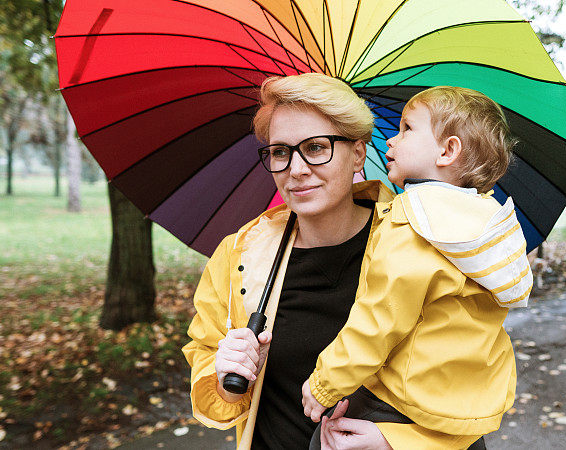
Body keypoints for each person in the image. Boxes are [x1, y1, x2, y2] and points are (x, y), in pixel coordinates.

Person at [182, 74, 484, 449]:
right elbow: (217, 394)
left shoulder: (426, 241)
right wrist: (227, 373)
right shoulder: (239, 255)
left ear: (357, 153)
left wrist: (397, 442)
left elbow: (470, 380)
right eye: (279, 152)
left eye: (315, 147)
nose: (296, 169)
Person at [301, 86, 534, 449]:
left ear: (448, 150)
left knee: (324, 440)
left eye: (407, 129)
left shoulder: (415, 222)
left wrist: (324, 383)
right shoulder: (489, 226)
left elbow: (379, 319)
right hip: (462, 408)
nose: (391, 140)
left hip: (401, 398)